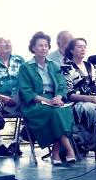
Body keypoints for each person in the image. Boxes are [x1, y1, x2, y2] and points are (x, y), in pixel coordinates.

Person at [18, 31, 75, 165]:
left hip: (54, 100)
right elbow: (26, 91)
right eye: (40, 45)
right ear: (33, 48)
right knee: (55, 113)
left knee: (62, 111)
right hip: (35, 104)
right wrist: (47, 101)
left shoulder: (54, 65)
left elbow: (62, 85)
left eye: (46, 45)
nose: (44, 48)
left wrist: (58, 97)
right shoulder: (25, 68)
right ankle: (69, 149)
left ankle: (55, 152)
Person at [0, 36, 24, 157]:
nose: (7, 44)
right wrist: (1, 97)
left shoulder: (19, 60)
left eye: (9, 41)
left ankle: (16, 141)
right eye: (4, 42)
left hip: (19, 99)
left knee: (37, 103)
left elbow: (28, 80)